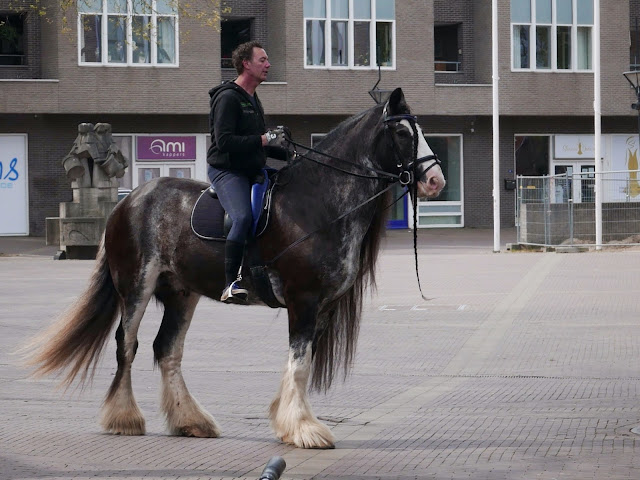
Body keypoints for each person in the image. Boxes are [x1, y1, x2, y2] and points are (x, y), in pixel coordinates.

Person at [207, 41, 287, 304]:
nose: (268, 64)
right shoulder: (228, 97)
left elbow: (258, 144)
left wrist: (294, 155)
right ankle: (230, 283)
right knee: (242, 217)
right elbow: (224, 142)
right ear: (246, 64)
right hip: (227, 171)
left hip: (253, 169)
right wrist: (264, 140)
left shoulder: (253, 99)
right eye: (262, 60)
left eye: (267, 60)